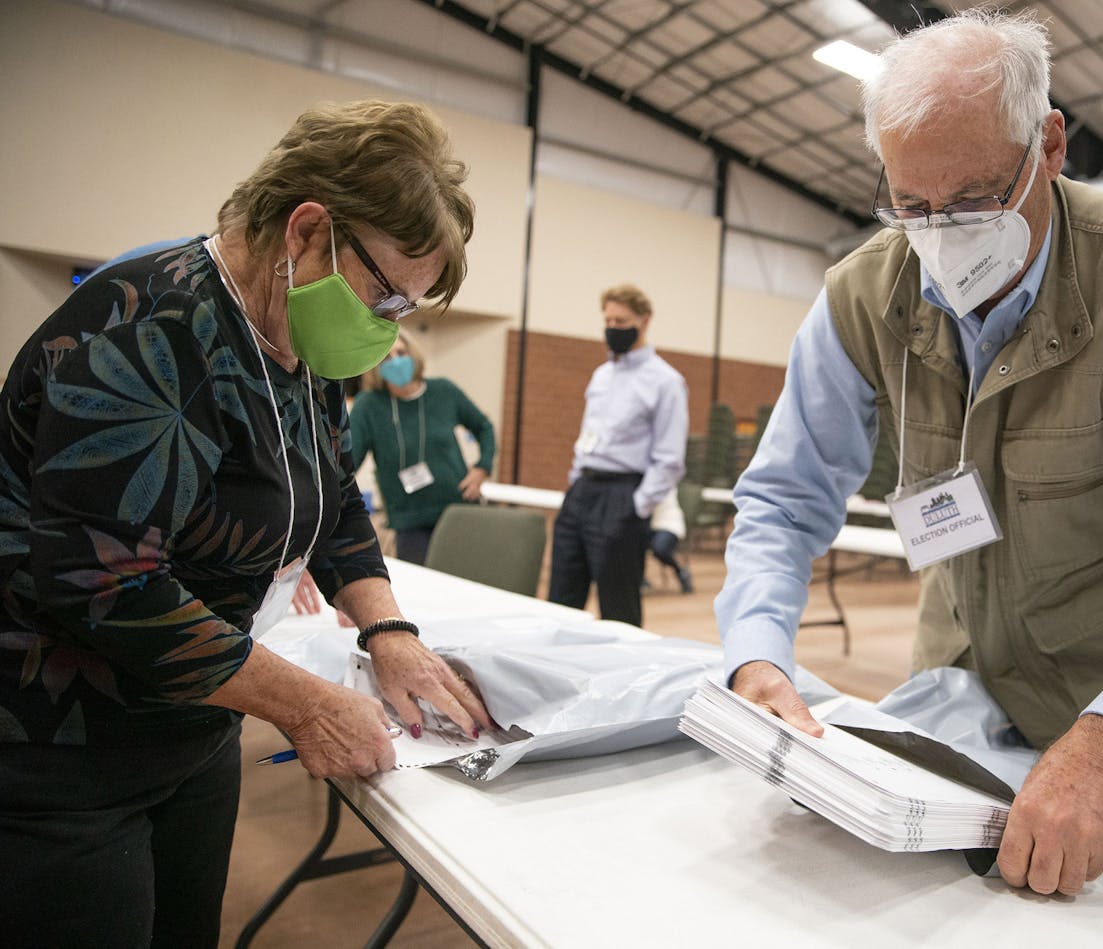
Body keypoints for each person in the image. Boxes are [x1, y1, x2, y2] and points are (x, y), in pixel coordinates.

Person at [715, 10, 1103, 898]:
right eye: (912, 204)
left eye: (977, 199)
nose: (941, 232)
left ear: (1050, 145)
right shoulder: (865, 293)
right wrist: (756, 658)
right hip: (948, 694)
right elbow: (783, 500)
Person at [0, 100, 495, 948]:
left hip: (194, 724)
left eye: (404, 311)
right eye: (385, 295)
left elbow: (335, 497)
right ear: (306, 230)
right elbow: (104, 583)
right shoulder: (151, 326)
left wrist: (390, 629)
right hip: (67, 759)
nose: (386, 328)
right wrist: (305, 704)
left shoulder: (300, 343)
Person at [548, 283, 689, 626]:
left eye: (621, 320)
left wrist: (637, 506)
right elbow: (587, 436)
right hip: (582, 490)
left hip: (622, 496)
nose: (612, 327)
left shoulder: (666, 382)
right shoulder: (601, 375)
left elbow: (669, 458)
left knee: (619, 610)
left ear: (644, 321)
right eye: (607, 319)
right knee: (560, 602)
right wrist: (574, 482)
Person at [350, 328, 497, 564]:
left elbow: (484, 427)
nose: (395, 361)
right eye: (386, 357)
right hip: (409, 520)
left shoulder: (443, 391)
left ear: (413, 355)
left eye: (401, 352)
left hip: (457, 509)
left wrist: (482, 468)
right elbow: (348, 462)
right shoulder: (368, 406)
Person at [648, 488, 695, 594]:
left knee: (660, 549)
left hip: (669, 524)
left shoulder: (664, 479)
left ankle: (681, 572)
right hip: (647, 526)